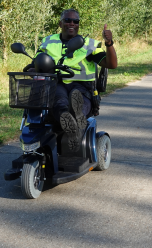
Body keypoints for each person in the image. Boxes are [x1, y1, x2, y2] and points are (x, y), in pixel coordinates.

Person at [35, 9, 117, 150]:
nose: (71, 23)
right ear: (60, 23)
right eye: (67, 20)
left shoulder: (88, 45)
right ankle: (70, 122)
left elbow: (111, 64)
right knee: (59, 101)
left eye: (75, 21)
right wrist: (32, 67)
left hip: (83, 87)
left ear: (79, 24)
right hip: (57, 84)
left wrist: (109, 43)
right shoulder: (48, 42)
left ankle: (76, 115)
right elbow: (37, 61)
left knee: (77, 99)